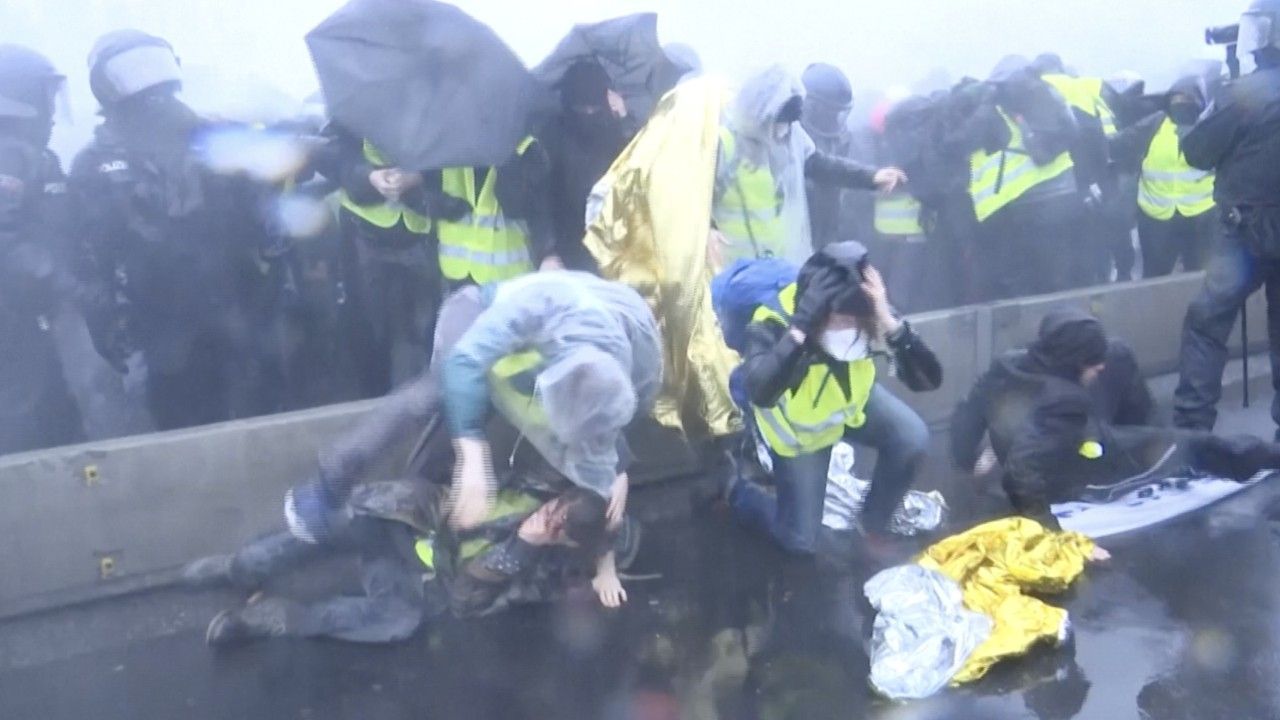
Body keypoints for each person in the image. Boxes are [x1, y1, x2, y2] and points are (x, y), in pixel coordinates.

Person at [69, 30, 292, 430]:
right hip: (156, 314)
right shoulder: (97, 161)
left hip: (232, 300)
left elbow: (265, 209)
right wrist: (109, 328)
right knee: (179, 416)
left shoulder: (213, 136)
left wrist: (272, 281)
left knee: (254, 411)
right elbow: (91, 254)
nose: (148, 83)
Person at [191, 478, 626, 646]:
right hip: (404, 524)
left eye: (556, 526)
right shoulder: (534, 484)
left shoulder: (545, 572)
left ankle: (269, 619)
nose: (542, 520)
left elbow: (465, 601)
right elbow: (616, 482)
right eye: (552, 510)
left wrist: (523, 548)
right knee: (333, 524)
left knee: (398, 620)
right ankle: (240, 568)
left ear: (569, 543)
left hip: (419, 577)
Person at [729, 241, 942, 554]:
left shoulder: (869, 315)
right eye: (841, 321)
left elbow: (927, 380)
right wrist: (799, 333)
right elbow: (760, 391)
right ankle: (738, 491)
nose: (850, 329)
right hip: (799, 435)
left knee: (912, 437)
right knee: (800, 542)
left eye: (856, 321)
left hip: (851, 407)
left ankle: (872, 525)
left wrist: (888, 320)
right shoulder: (773, 322)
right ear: (817, 310)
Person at [1006, 343, 1280, 530]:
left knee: (1117, 353)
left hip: (1082, 434)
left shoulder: (1024, 380)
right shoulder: (1046, 433)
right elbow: (1023, 470)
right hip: (1089, 459)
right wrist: (1055, 533)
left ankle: (1154, 436)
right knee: (1194, 448)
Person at [1173, 0, 1280, 435]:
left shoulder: (1244, 93)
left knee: (1207, 323)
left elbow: (1198, 152)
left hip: (1245, 231)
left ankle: (1192, 430)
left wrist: (1193, 111)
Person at [709, 66, 906, 268]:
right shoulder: (724, 143)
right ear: (760, 113)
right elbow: (693, 196)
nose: (782, 132)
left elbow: (822, 165)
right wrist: (707, 229)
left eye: (788, 124)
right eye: (778, 123)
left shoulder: (792, 135)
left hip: (781, 265)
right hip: (733, 269)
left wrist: (871, 177)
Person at [951, 308, 1153, 483]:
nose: (1100, 366)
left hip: (1103, 473)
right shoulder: (1009, 373)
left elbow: (1139, 423)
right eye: (1092, 362)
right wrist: (975, 461)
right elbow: (967, 424)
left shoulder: (1116, 360)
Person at [0, 45, 84, 453]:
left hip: (29, 320)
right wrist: (60, 281)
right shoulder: (9, 154)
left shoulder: (28, 155)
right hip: (14, 324)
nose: (52, 110)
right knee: (31, 429)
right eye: (43, 95)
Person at [325, 125, 448, 397]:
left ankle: (423, 406)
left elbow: (454, 156)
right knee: (368, 330)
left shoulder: (435, 103)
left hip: (420, 231)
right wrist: (370, 177)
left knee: (425, 330)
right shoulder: (353, 99)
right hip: (364, 233)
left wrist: (418, 177)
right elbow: (334, 157)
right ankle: (372, 401)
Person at [944, 58, 1080, 302]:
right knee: (1058, 272)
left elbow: (958, 143)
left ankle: (1030, 324)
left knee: (1021, 274)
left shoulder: (992, 111)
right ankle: (1064, 320)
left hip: (1024, 200)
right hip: (1064, 191)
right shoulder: (1051, 97)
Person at [1031, 53, 1131, 286]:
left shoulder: (1034, 92)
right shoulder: (1086, 86)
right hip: (1099, 169)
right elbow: (1099, 131)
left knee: (1072, 240)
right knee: (1106, 225)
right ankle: (1114, 275)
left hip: (1056, 180)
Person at [1109, 76, 1216, 277]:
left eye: (1187, 98)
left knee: (1201, 278)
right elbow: (1121, 142)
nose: (1181, 103)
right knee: (1155, 279)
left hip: (1201, 217)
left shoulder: (1210, 125)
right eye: (1176, 98)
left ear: (1200, 102)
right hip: (1156, 216)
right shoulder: (1156, 122)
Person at [542, 59, 632, 272]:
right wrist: (548, 250)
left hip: (610, 248)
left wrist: (624, 120)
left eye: (595, 108)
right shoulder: (552, 135)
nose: (589, 114)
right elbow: (542, 198)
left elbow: (636, 172)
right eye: (582, 108)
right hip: (566, 251)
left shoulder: (614, 130)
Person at [435, 137, 555, 287]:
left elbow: (522, 208)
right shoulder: (448, 146)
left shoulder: (528, 148)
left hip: (509, 280)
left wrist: (506, 158)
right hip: (456, 275)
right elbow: (432, 199)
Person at [799, 63, 870, 251]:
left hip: (829, 241)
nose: (835, 119)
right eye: (830, 113)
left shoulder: (843, 141)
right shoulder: (790, 140)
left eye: (840, 113)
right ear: (810, 107)